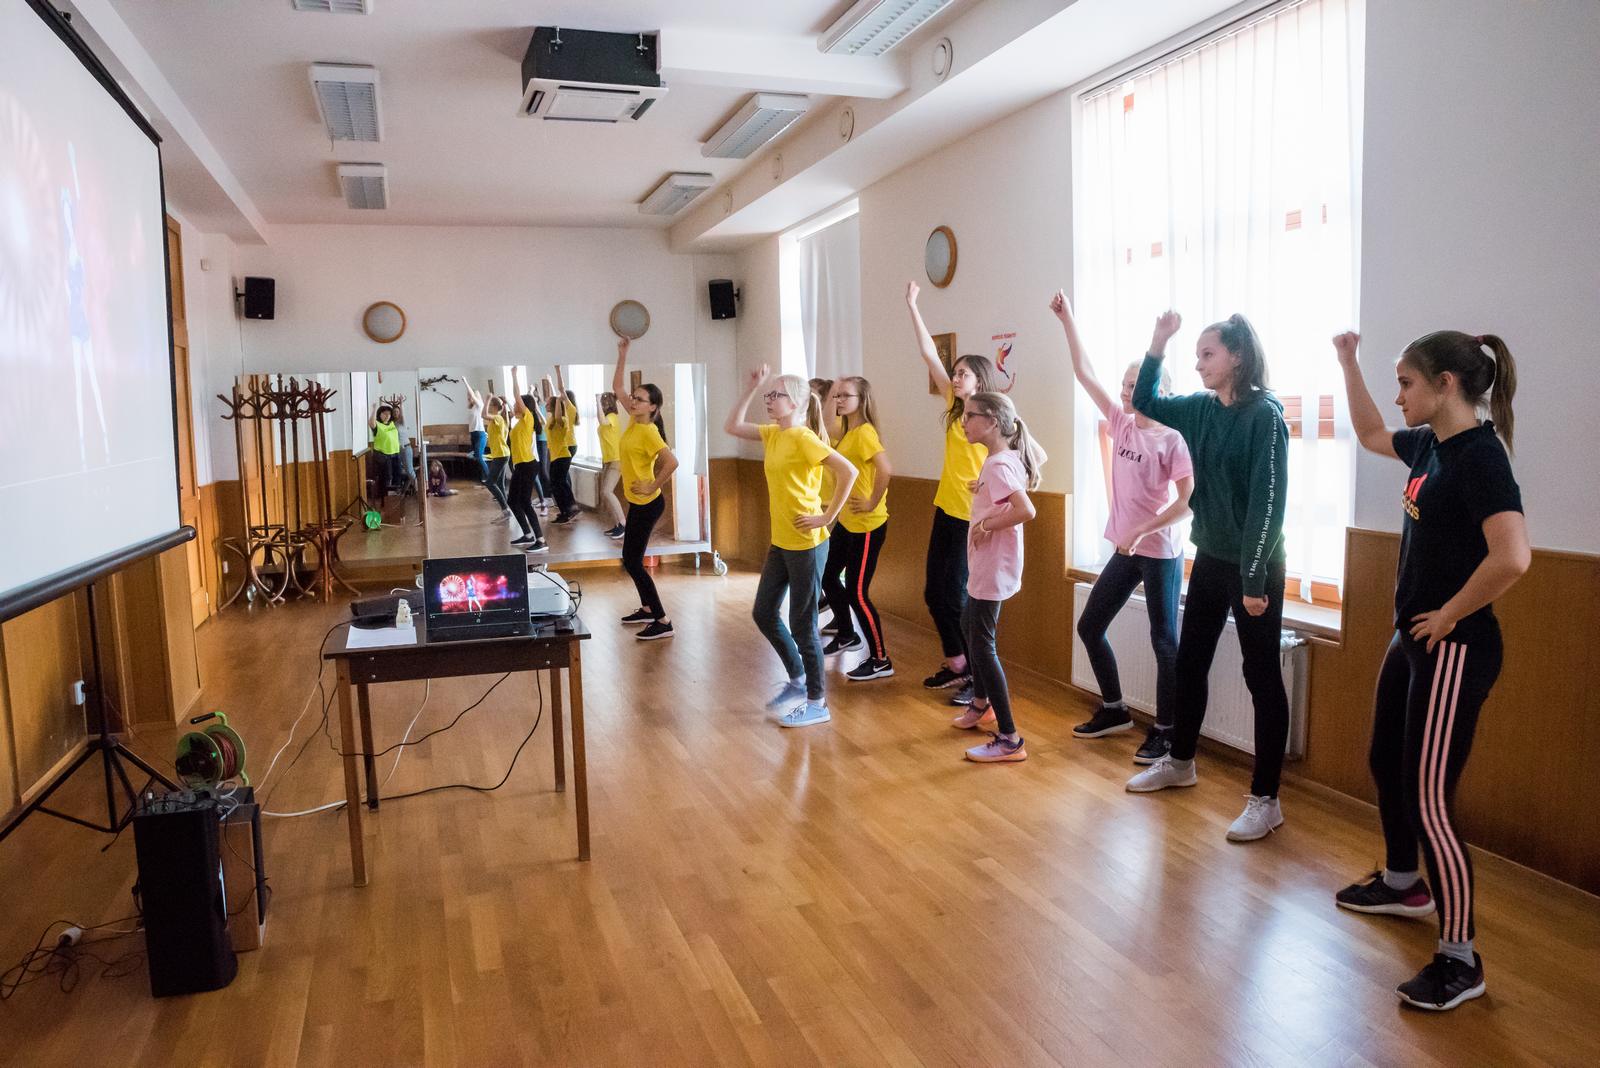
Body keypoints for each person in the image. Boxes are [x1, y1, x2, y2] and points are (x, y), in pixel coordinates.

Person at [1330, 329, 1527, 1012]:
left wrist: (1448, 615)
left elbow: (1513, 556)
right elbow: (1369, 434)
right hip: (1414, 637)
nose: (1399, 396)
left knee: (1429, 799)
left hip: (1455, 646)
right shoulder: (1429, 446)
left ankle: (1460, 958)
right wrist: (1348, 362)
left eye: (1406, 383)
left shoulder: (1480, 457)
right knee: (1386, 760)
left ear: (1446, 384)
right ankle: (1401, 881)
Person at [1123, 311, 1293, 845]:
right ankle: (1180, 762)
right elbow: (1146, 400)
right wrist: (1159, 341)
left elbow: (1268, 504)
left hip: (1255, 566)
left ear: (1237, 357)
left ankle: (1266, 800)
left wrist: (1253, 580)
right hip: (1212, 559)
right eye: (1196, 355)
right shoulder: (1201, 409)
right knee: (1190, 662)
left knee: (1261, 677)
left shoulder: (1265, 417)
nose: (1198, 365)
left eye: (1207, 354)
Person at [1052, 290, 1194, 762]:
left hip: (1160, 552)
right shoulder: (1122, 422)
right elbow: (1083, 372)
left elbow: (1187, 503)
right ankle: (1114, 709)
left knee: (1164, 642)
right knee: (1090, 625)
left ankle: (1167, 731)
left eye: (1135, 384)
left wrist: (1142, 531)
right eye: (1125, 384)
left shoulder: (1173, 439)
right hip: (1127, 550)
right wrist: (1068, 318)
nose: (1127, 391)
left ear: (1158, 389)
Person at [725, 366, 857, 727]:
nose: (770, 400)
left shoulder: (803, 438)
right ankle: (798, 677)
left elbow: (848, 471)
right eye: (769, 395)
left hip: (807, 544)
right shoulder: (773, 434)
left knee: (803, 624)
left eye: (777, 395)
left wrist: (827, 516)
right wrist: (752, 388)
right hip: (781, 542)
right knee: (764, 612)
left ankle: (817, 702)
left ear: (796, 402)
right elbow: (732, 426)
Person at [905, 281, 998, 705]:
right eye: (955, 373)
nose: (956, 378)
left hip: (973, 518)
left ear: (980, 380)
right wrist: (913, 305)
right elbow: (929, 354)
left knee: (960, 597)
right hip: (946, 509)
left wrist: (991, 483)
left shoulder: (994, 416)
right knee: (934, 593)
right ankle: (957, 662)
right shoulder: (956, 406)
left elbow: (1024, 460)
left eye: (963, 374)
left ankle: (977, 678)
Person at [949, 392, 1046, 762]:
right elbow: (1019, 482)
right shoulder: (1003, 459)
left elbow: (1026, 510)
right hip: (988, 564)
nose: (963, 422)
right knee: (967, 624)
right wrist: (986, 494)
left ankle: (1009, 739)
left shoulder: (998, 464)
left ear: (991, 421)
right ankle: (980, 703)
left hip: (993, 566)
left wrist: (986, 524)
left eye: (970, 416)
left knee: (983, 646)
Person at [819, 377, 896, 681]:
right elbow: (826, 423)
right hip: (848, 523)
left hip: (867, 526)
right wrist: (833, 390)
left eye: (845, 396)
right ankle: (847, 633)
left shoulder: (864, 433)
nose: (838, 400)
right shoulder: (847, 431)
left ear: (861, 400)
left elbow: (886, 469)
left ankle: (880, 659)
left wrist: (872, 501)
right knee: (828, 575)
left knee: (857, 592)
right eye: (836, 396)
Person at [613, 338, 680, 640]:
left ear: (652, 407)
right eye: (634, 398)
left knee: (632, 561)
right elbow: (617, 387)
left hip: (648, 504)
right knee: (631, 559)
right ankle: (647, 608)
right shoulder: (633, 422)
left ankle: (663, 620)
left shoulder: (649, 431)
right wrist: (623, 354)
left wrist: (652, 484)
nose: (633, 401)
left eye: (640, 399)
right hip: (638, 502)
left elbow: (672, 462)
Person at [506, 371, 548, 553]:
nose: (515, 404)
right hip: (521, 466)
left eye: (518, 403)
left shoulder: (528, 418)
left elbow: (517, 396)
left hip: (528, 465)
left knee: (524, 502)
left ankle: (541, 540)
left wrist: (514, 375)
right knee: (512, 501)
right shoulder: (519, 422)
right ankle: (528, 534)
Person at [546, 368, 580, 524]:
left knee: (560, 480)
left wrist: (558, 371)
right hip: (562, 447)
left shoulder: (569, 409)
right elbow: (556, 398)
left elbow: (560, 392)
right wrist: (550, 382)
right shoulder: (561, 411)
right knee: (561, 479)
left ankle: (570, 507)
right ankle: (569, 507)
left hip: (567, 446)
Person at [367, 401, 404, 517]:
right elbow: (371, 422)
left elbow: (401, 418)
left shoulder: (392, 424)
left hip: (395, 454)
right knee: (387, 480)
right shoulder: (378, 425)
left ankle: (395, 504)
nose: (387, 415)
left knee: (397, 478)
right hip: (384, 456)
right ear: (380, 415)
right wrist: (374, 409)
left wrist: (401, 404)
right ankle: (385, 503)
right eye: (384, 414)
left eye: (388, 413)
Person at [597, 392, 626, 538]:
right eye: (602, 402)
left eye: (605, 402)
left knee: (608, 491)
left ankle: (623, 524)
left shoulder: (612, 417)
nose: (603, 404)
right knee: (604, 493)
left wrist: (597, 400)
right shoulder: (607, 417)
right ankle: (617, 525)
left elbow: (602, 421)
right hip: (608, 459)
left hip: (616, 459)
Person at [482, 394, 512, 517]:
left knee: (490, 482)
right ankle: (506, 510)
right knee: (499, 484)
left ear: (494, 406)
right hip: (501, 454)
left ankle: (505, 509)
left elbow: (483, 415)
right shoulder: (500, 419)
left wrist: (487, 399)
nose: (488, 407)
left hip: (501, 455)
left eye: (490, 405)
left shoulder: (498, 418)